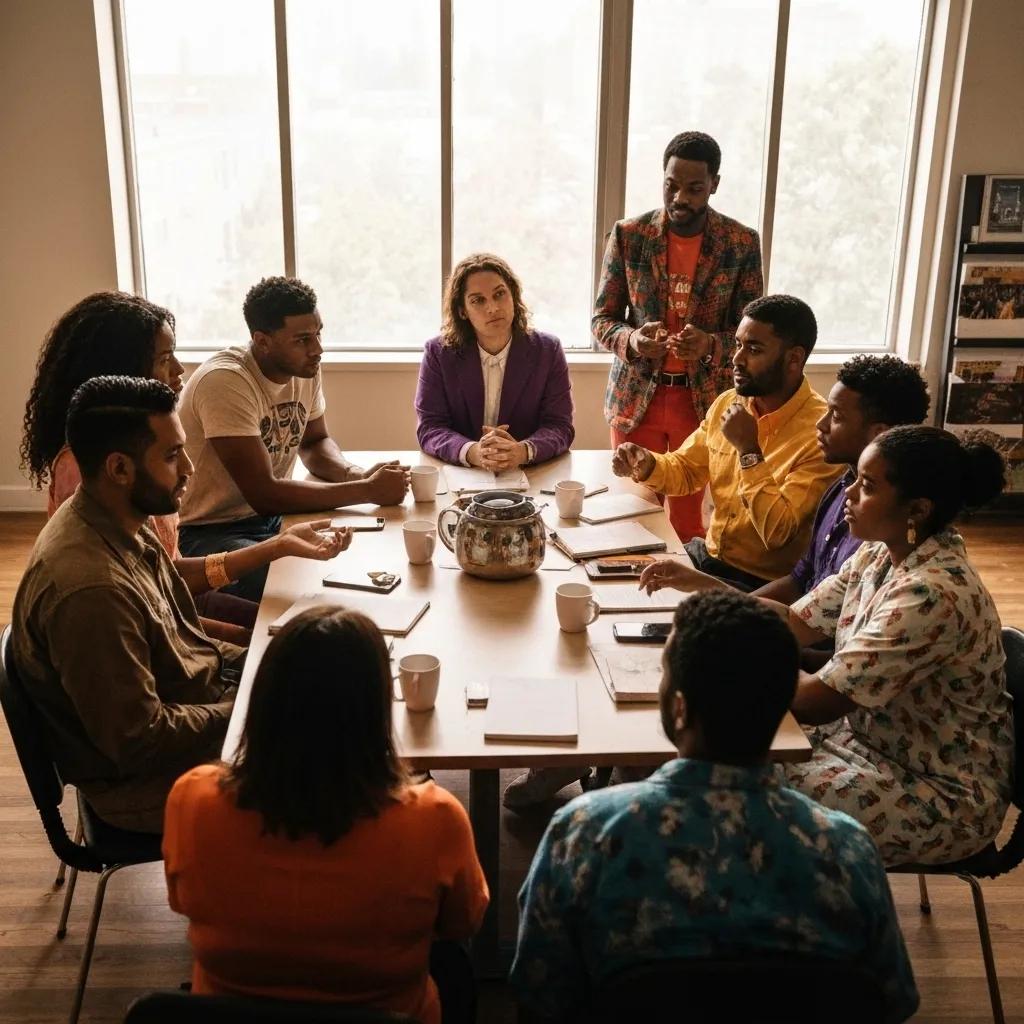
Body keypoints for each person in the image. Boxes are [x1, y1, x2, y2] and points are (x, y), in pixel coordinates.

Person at [511, 591, 919, 1024]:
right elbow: (890, 1001)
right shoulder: (848, 851)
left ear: (680, 709)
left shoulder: (584, 834)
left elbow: (540, 995)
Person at [163, 606, 489, 1024]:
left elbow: (183, 902)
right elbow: (464, 920)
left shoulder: (191, 801)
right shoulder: (436, 819)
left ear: (262, 702)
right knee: (456, 964)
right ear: (376, 710)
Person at [20, 291, 352, 638]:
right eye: (165, 358)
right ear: (124, 370)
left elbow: (167, 578)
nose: (180, 370)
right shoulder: (87, 469)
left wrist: (279, 546)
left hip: (176, 601)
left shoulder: (136, 452)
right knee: (302, 636)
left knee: (312, 622)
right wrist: (243, 639)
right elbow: (147, 612)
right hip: (149, 628)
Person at [10, 376, 256, 833]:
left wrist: (269, 663)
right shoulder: (90, 592)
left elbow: (188, 641)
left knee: (332, 690)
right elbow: (138, 740)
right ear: (119, 468)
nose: (189, 468)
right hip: (143, 785)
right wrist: (249, 708)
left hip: (193, 712)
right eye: (170, 455)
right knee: (339, 758)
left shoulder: (122, 517)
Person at [773, 425, 1013, 865]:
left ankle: (779, 921)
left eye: (867, 486)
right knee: (725, 755)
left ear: (917, 510)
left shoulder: (932, 593)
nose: (849, 495)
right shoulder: (879, 552)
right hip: (868, 744)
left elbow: (814, 703)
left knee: (736, 781)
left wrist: (728, 659)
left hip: (938, 794)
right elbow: (793, 622)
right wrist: (703, 623)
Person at [176, 276, 409, 602]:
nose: (317, 349)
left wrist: (356, 474)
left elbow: (314, 443)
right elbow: (265, 494)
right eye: (302, 339)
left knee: (364, 563)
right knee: (303, 590)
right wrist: (368, 490)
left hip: (275, 519)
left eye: (318, 334)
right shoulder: (225, 382)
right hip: (211, 532)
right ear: (262, 340)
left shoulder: (304, 368)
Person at [638, 354, 931, 606]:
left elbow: (822, 634)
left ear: (793, 358)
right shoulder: (844, 486)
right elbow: (801, 582)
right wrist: (702, 587)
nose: (822, 423)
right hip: (759, 594)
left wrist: (749, 451)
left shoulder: (881, 528)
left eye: (837, 416)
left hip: (765, 593)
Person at [593, 130, 763, 541]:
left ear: (714, 185)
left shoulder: (740, 244)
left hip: (701, 400)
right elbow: (602, 319)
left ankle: (682, 605)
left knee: (686, 525)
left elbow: (753, 335)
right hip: (637, 400)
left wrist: (710, 345)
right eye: (671, 185)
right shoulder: (629, 235)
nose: (679, 198)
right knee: (631, 521)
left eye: (694, 188)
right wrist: (632, 341)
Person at [613, 293, 843, 592]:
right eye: (738, 345)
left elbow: (778, 533)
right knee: (619, 581)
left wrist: (749, 451)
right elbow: (686, 471)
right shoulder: (729, 403)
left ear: (794, 359)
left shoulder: (821, 434)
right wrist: (646, 463)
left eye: (754, 349)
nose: (737, 359)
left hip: (758, 585)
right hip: (707, 559)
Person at [415, 253, 574, 470]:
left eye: (499, 294)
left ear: (514, 296)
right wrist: (473, 452)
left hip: (529, 474)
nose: (493, 308)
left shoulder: (547, 350)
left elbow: (560, 426)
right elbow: (430, 427)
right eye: (478, 300)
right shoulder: (438, 353)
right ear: (462, 311)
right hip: (461, 474)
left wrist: (523, 451)